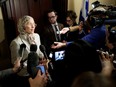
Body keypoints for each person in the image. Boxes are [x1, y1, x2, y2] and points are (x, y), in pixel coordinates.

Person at [10, 15, 44, 87]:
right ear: (23, 27)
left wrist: (43, 58)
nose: (33, 26)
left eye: (34, 24)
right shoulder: (16, 42)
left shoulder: (37, 36)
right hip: (25, 76)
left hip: (38, 71)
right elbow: (15, 63)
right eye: (30, 24)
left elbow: (40, 53)